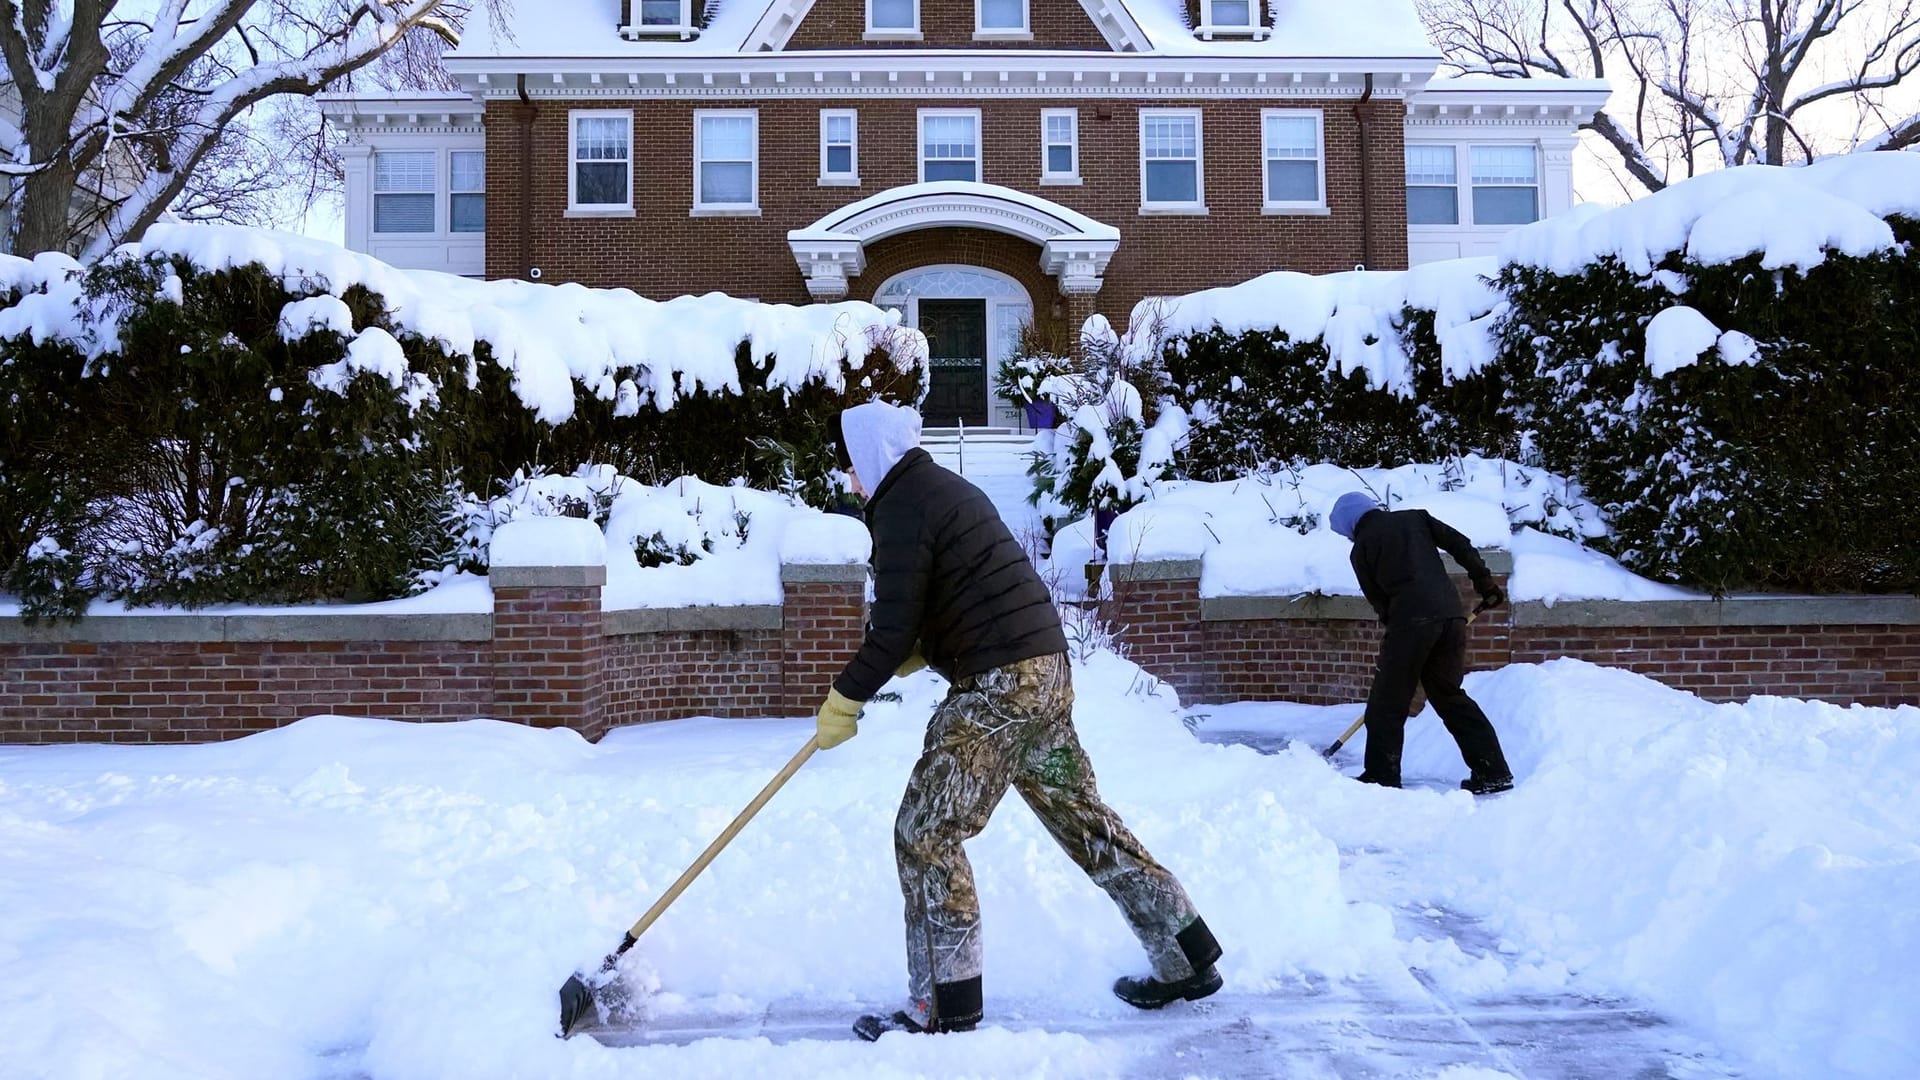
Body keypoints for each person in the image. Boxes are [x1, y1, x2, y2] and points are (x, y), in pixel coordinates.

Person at [817, 400, 1223, 1040]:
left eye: (850, 466)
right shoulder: (943, 490)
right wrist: (916, 650)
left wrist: (845, 698)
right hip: (1046, 675)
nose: (848, 480)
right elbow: (956, 592)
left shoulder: (900, 504)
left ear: (871, 458)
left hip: (1000, 689)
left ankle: (943, 1006)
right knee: (1085, 821)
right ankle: (1186, 952)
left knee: (926, 832)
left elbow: (893, 624)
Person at [1328, 492, 1515, 795]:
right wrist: (1485, 583)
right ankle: (1492, 771)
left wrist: (1402, 641)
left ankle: (1381, 777)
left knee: (1388, 703)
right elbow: (1460, 544)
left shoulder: (1361, 549)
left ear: (1351, 524)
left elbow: (1380, 602)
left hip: (1410, 623)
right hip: (1451, 617)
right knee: (1450, 697)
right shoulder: (1415, 518)